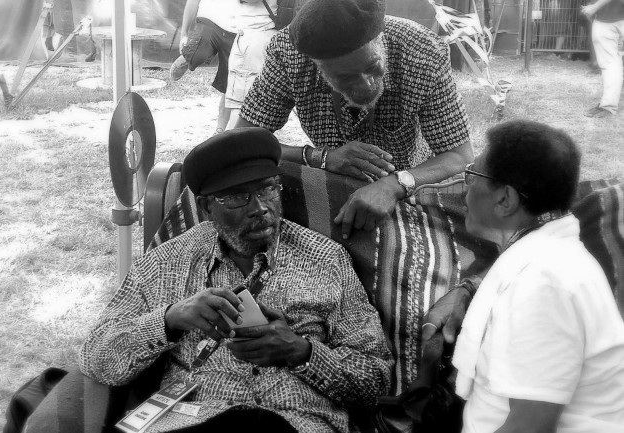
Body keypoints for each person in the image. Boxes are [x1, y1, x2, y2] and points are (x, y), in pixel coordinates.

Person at [79, 127, 392, 432]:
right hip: (197, 419)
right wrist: (170, 319)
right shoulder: (167, 262)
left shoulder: (326, 259)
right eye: (237, 198)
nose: (260, 208)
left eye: (267, 189)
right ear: (205, 207)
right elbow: (96, 358)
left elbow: (376, 379)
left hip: (296, 421)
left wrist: (301, 351)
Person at [234, 0, 473, 240]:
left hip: (411, 181)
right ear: (316, 65)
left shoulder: (423, 51)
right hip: (331, 183)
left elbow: (459, 156)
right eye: (345, 78)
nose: (366, 84)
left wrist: (395, 184)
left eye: (372, 66)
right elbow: (242, 142)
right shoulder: (287, 55)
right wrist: (321, 158)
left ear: (380, 39)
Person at [443, 119, 624, 432]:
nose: (465, 189)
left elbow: (529, 427)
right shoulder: (544, 259)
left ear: (505, 200)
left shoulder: (543, 284)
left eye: (472, 175)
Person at [170, 0, 239, 133]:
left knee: (230, 85)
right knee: (199, 52)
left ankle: (219, 131)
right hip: (209, 20)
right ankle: (188, 57)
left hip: (237, 29)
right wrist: (184, 33)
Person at [223, 0, 278, 129]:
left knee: (242, 105)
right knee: (261, 106)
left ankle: (232, 148)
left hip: (254, 38)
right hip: (269, 35)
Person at [581, 0, 624, 118]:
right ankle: (608, 104)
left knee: (611, 64)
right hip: (609, 18)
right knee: (612, 64)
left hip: (610, 19)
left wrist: (595, 6)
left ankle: (608, 105)